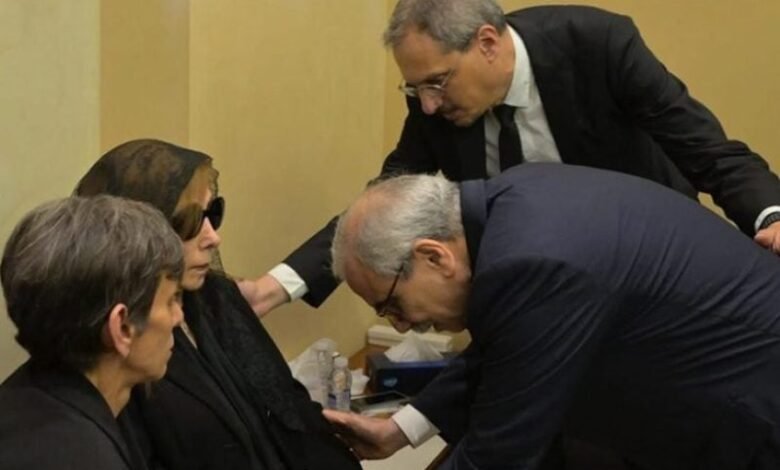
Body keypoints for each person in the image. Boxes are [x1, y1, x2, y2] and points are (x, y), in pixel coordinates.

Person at [241, 0, 780, 315]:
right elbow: (381, 207)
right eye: (414, 89)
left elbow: (708, 151)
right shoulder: (433, 105)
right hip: (541, 294)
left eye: (437, 83)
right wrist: (276, 286)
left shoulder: (598, 44)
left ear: (487, 43)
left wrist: (771, 218)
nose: (427, 104)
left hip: (649, 272)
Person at [324, 164, 780, 469]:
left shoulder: (532, 263)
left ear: (433, 256)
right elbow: (505, 351)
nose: (400, 325)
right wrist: (400, 430)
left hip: (754, 415)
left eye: (391, 304)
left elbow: (498, 454)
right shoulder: (512, 203)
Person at [75, 139, 360, 470]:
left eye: (213, 213)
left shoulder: (216, 297)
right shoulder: (121, 344)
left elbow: (288, 403)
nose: (213, 237)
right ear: (134, 234)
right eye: (190, 222)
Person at [0, 195, 184, 470]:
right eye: (171, 300)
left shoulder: (20, 402)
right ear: (122, 327)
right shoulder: (84, 456)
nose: (178, 317)